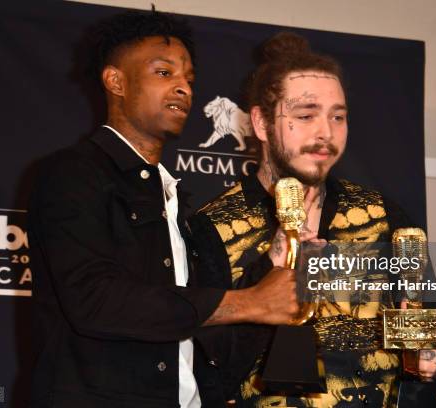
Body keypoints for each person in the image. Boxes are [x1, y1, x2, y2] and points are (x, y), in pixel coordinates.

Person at [27, 11, 299, 408]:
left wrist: (270, 271)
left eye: (188, 79)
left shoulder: (175, 199)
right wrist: (252, 301)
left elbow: (209, 344)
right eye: (163, 73)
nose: (183, 89)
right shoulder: (71, 174)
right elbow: (95, 302)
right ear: (115, 80)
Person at [188, 32, 436, 407]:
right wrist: (269, 270)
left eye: (337, 117)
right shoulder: (211, 227)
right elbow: (204, 370)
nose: (325, 132)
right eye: (306, 116)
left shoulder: (384, 216)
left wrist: (432, 356)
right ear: (260, 123)